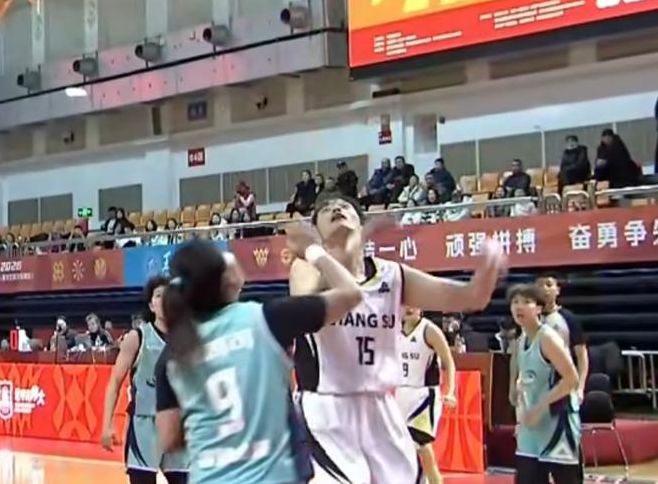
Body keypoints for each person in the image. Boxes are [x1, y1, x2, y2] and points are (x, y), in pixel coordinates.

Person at [289, 196, 506, 484]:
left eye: (345, 207)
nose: (337, 209)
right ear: (316, 231)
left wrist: (487, 275)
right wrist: (337, 251)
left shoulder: (392, 274)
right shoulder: (306, 267)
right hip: (326, 406)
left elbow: (468, 297)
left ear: (360, 223)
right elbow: (307, 311)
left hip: (379, 406)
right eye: (327, 209)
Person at [152, 232, 366, 484]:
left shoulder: (174, 353)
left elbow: (169, 439)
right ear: (227, 280)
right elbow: (352, 293)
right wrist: (313, 250)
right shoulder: (267, 318)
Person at [100, 276, 188, 484]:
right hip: (144, 426)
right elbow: (114, 383)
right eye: (158, 296)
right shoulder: (137, 338)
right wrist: (107, 425)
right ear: (151, 305)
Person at [509, 284, 582, 484]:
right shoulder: (521, 340)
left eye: (526, 302)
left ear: (539, 308)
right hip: (531, 428)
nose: (519, 307)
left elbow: (571, 379)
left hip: (558, 423)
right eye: (515, 302)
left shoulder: (548, 338)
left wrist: (540, 407)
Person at [396, 306, 457, 484]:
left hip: (424, 395)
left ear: (421, 307)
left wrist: (450, 391)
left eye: (414, 304)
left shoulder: (429, 330)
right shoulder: (394, 329)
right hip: (401, 393)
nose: (409, 308)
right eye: (405, 304)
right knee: (404, 447)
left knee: (423, 444)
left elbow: (448, 362)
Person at [537, 276, 588, 396]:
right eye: (539, 285)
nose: (544, 289)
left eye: (549, 285)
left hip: (562, 381)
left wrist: (580, 386)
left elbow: (581, 355)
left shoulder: (568, 318)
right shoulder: (530, 318)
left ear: (557, 290)